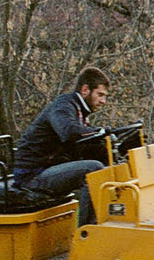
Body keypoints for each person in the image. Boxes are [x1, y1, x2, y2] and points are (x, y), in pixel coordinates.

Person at [11, 65, 113, 223]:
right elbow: (69, 131)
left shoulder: (78, 111)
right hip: (33, 175)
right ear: (85, 90)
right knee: (93, 170)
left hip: (45, 169)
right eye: (100, 95)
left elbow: (82, 145)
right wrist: (101, 131)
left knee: (109, 165)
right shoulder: (63, 106)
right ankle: (87, 234)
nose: (103, 101)